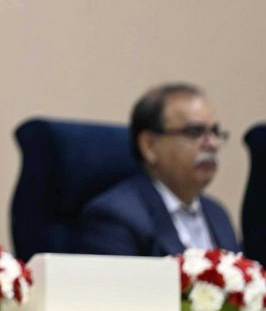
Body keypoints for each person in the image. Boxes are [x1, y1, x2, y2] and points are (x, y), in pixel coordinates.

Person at [75, 83, 240, 256]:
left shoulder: (217, 214)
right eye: (194, 132)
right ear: (150, 146)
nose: (212, 144)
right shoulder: (116, 218)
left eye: (215, 132)